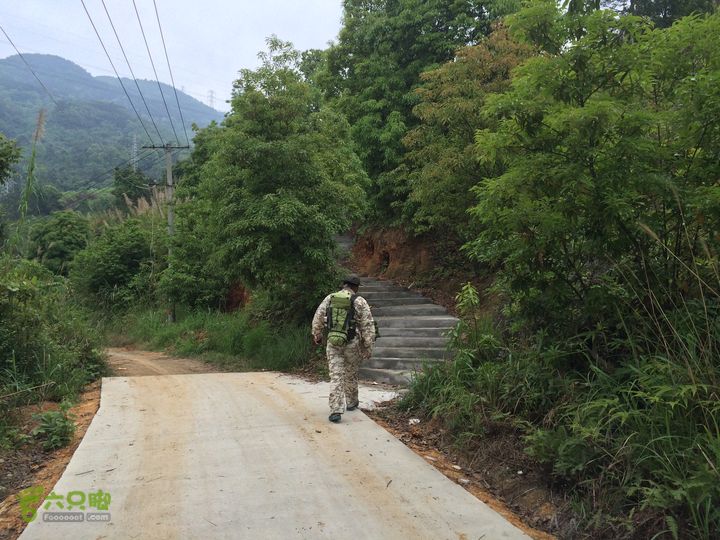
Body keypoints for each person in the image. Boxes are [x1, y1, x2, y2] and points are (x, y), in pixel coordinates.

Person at [311, 275, 375, 423]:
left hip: (333, 342)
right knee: (351, 373)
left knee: (336, 376)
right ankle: (351, 402)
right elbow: (367, 326)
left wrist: (317, 335)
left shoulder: (330, 298)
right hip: (352, 343)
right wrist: (368, 347)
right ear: (355, 287)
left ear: (344, 285)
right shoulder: (359, 301)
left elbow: (318, 317)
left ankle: (336, 410)